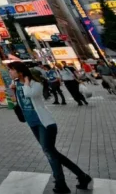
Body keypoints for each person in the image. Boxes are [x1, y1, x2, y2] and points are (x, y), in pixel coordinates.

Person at [10, 61, 91, 193]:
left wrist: (24, 82)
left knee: (50, 153)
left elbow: (29, 94)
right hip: (32, 123)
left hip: (45, 123)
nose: (10, 72)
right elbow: (19, 102)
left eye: (12, 70)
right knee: (52, 153)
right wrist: (14, 90)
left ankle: (61, 183)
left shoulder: (35, 84)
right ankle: (81, 176)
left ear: (20, 71)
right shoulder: (17, 84)